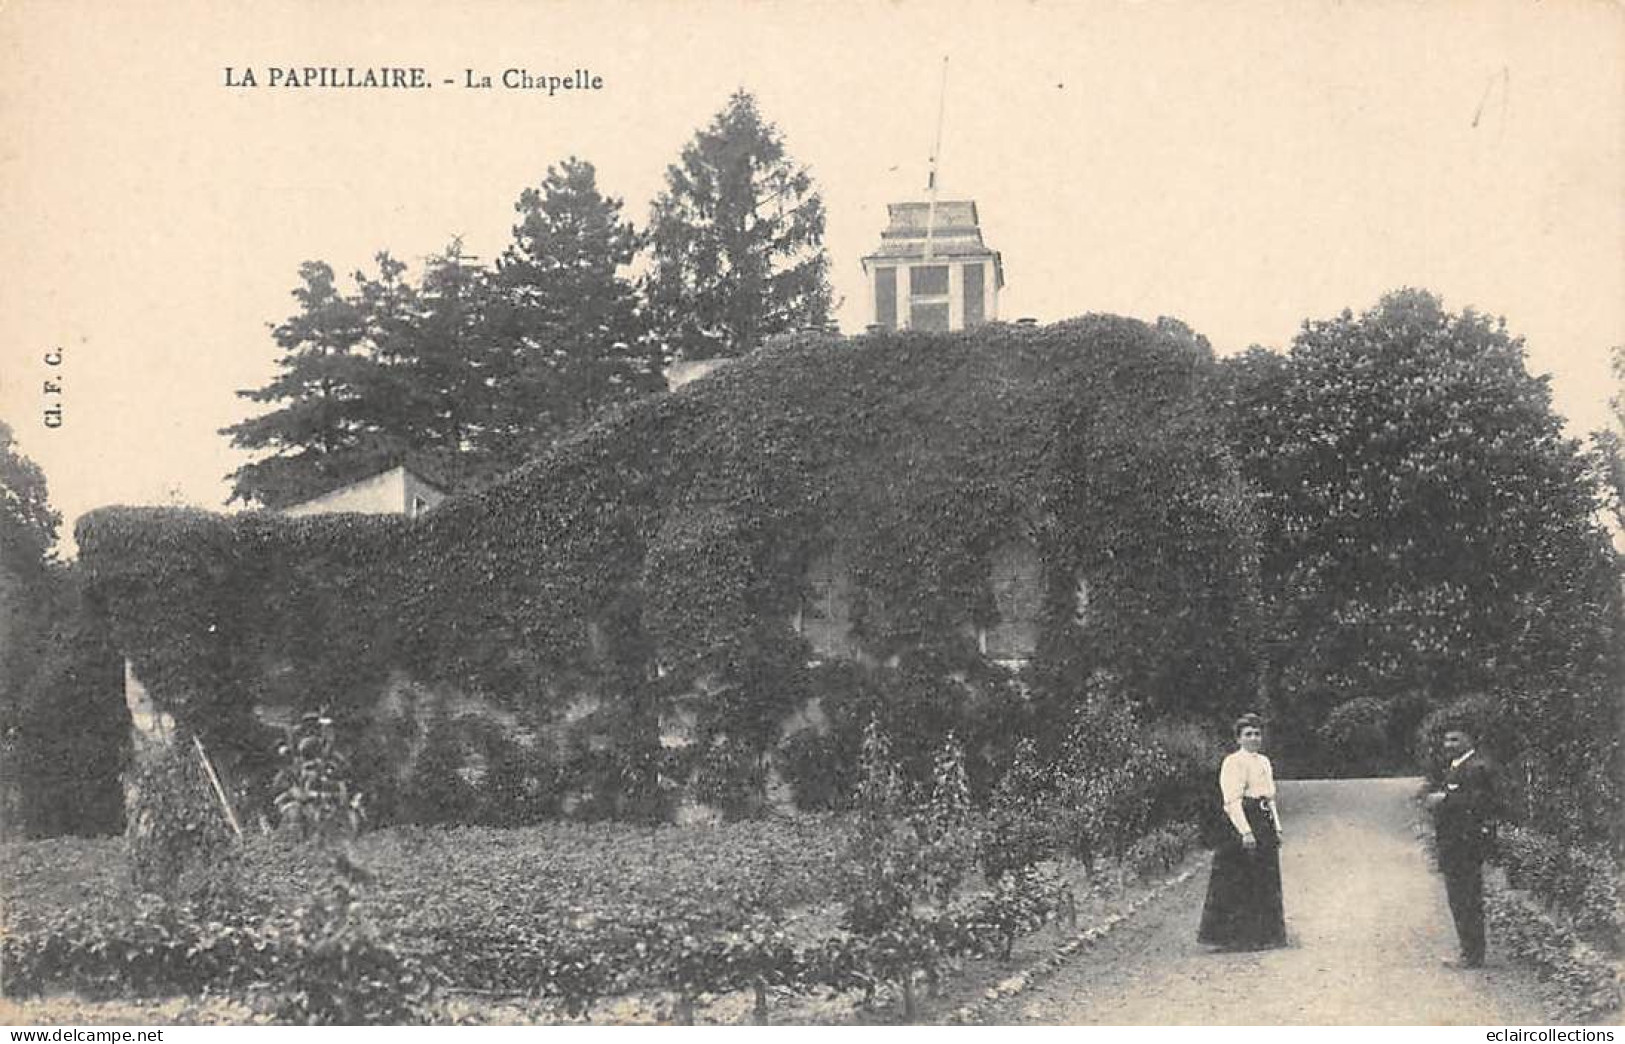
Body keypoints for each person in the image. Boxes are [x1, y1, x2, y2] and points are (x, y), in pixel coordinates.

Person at [1197, 712, 1287, 951]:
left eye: (1257, 734)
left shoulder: (1264, 762)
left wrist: (1276, 827)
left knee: (1264, 878)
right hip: (1241, 821)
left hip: (1263, 818)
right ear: (1238, 738)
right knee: (1239, 878)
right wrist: (1245, 832)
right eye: (1248, 734)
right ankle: (1235, 937)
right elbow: (1232, 801)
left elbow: (1270, 799)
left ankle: (1265, 935)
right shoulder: (1233, 762)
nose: (1254, 738)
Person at [1425, 723, 1497, 969]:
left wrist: (1443, 799)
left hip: (1465, 846)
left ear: (1469, 740)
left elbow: (1479, 802)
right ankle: (1469, 951)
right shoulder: (1458, 766)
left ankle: (1472, 954)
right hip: (1454, 845)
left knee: (1466, 899)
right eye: (1446, 740)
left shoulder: (1476, 767)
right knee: (1459, 899)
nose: (1448, 745)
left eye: (1455, 740)